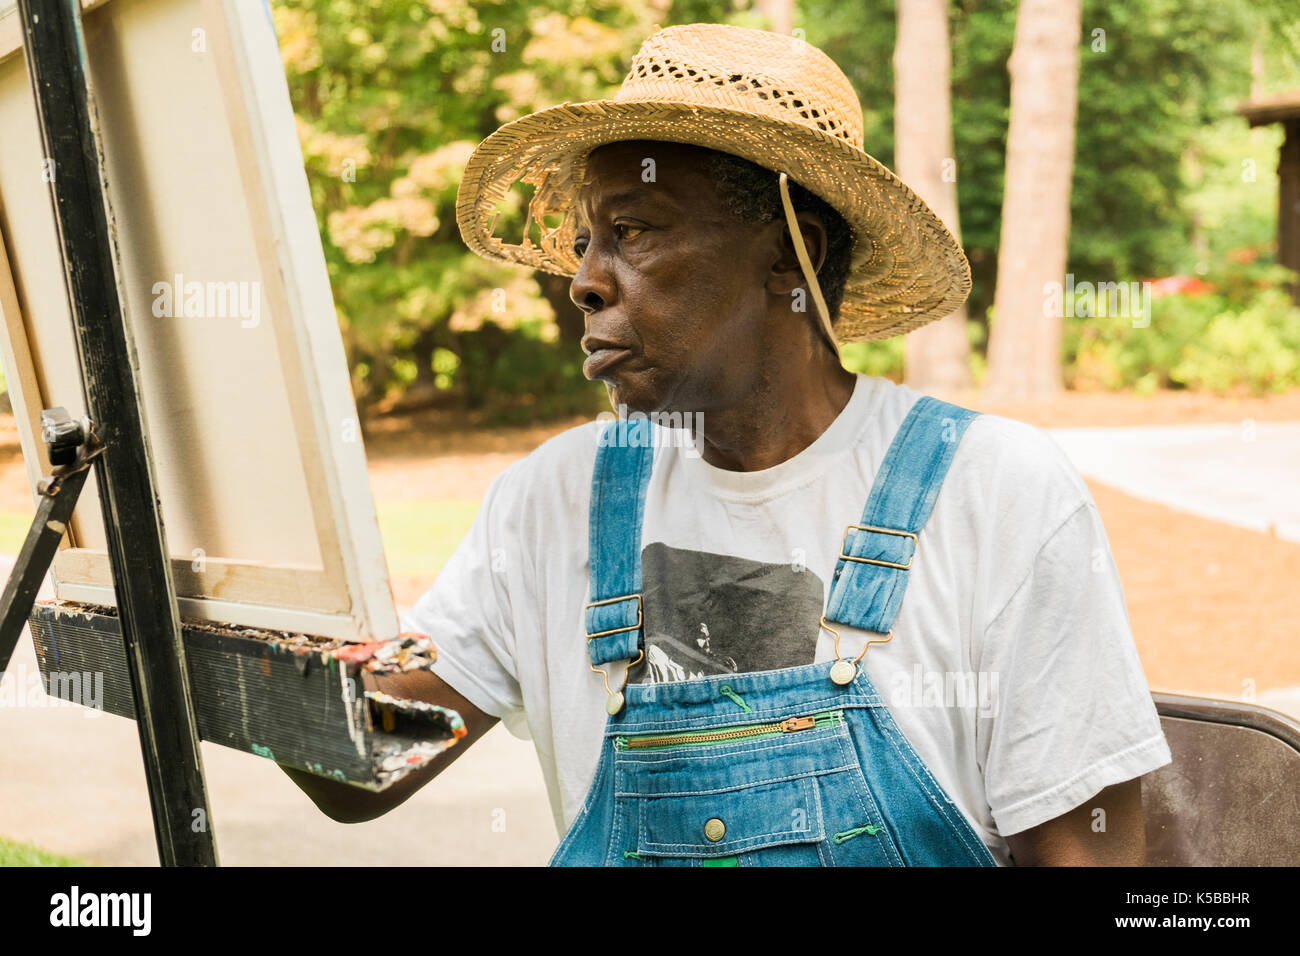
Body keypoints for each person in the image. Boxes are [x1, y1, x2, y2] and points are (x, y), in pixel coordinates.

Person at [283, 22, 1171, 866]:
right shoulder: (550, 503)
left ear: (790, 255)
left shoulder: (995, 493)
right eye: (587, 241)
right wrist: (250, 573)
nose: (584, 282)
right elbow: (361, 765)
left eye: (632, 231)